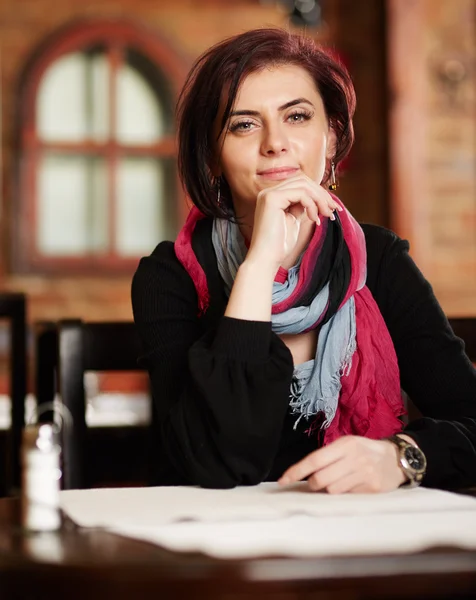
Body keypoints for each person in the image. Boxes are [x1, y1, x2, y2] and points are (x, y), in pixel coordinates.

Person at [132, 28, 476, 493]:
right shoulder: (169, 276)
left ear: (331, 138)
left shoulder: (381, 259)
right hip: (216, 545)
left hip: (359, 542)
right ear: (212, 155)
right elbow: (215, 463)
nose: (275, 143)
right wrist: (259, 265)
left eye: (296, 116)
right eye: (243, 124)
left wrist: (401, 457)